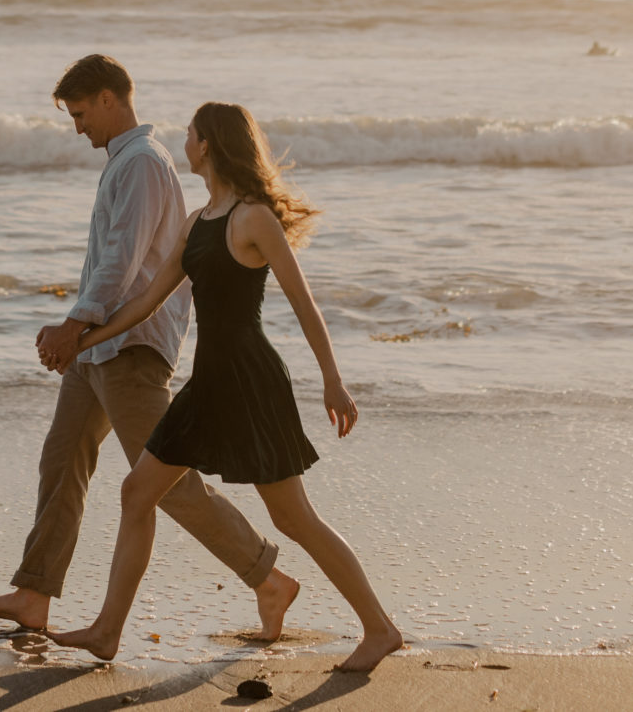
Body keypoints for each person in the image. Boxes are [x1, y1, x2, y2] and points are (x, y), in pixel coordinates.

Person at [47, 101, 402, 672]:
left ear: (207, 144)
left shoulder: (253, 218)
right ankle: (108, 632)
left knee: (294, 518)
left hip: (250, 384)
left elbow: (304, 304)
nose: (183, 141)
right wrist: (80, 343)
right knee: (138, 493)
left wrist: (333, 382)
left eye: (189, 133)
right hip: (207, 385)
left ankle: (380, 629)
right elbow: (144, 302)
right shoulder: (198, 222)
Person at [0, 57, 301, 640]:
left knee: (167, 486)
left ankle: (267, 576)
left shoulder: (143, 164)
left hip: (131, 349)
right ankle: (33, 595)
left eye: (79, 114)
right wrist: (81, 337)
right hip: (98, 349)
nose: (77, 128)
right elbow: (112, 260)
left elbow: (122, 262)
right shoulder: (126, 162)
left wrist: (75, 324)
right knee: (62, 462)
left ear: (107, 99)